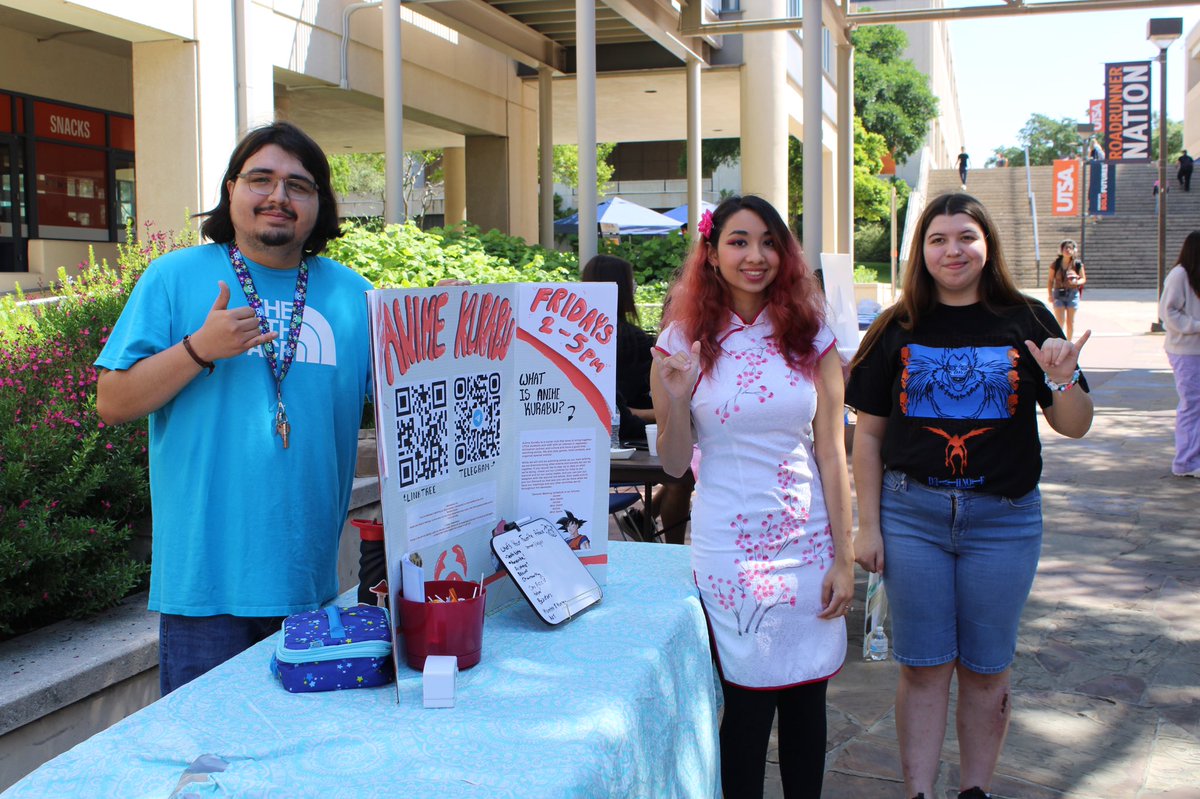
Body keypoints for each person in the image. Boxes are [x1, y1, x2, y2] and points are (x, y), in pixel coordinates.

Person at [95, 122, 374, 696]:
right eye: (261, 179)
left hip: (307, 581)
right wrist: (201, 349)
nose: (278, 196)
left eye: (299, 185)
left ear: (319, 204)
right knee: (208, 769)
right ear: (231, 191)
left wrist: (440, 319)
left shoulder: (354, 296)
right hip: (205, 587)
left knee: (301, 773)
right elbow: (113, 402)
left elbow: (407, 406)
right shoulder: (175, 277)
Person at [845, 192, 1094, 799]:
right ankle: (920, 792)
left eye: (966, 237)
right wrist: (867, 526)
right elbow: (869, 438)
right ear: (921, 251)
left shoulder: (1028, 320)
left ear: (988, 245)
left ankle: (975, 791)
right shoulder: (896, 327)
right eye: (937, 239)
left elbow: (1076, 424)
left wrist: (1061, 378)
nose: (952, 250)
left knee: (987, 672)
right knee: (924, 669)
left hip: (1004, 523)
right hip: (913, 518)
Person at [651, 195, 854, 797]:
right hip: (726, 555)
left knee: (805, 709)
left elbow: (832, 452)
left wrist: (845, 557)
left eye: (768, 242)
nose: (755, 256)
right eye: (739, 241)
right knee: (740, 713)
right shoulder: (680, 342)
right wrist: (680, 397)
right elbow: (670, 461)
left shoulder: (813, 338)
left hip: (807, 548)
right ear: (711, 254)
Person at [581, 254, 695, 543]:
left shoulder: (574, 341)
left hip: (589, 447)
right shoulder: (642, 344)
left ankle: (645, 518)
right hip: (633, 442)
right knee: (680, 478)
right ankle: (668, 545)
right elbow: (654, 407)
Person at [1159, 231, 1200, 477]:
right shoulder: (1180, 275)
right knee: (1191, 405)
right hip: (1185, 350)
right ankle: (1185, 461)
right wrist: (1195, 325)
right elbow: (1168, 312)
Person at [1047, 239, 1087, 340]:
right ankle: (1059, 341)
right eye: (1066, 248)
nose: (1068, 250)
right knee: (1060, 321)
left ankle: (1069, 342)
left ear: (1074, 250)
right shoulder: (1056, 264)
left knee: (1070, 321)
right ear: (1061, 250)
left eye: (1070, 248)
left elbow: (1083, 279)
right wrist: (1050, 295)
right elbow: (1050, 280)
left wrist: (1076, 282)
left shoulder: (1077, 264)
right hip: (1058, 294)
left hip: (1072, 293)